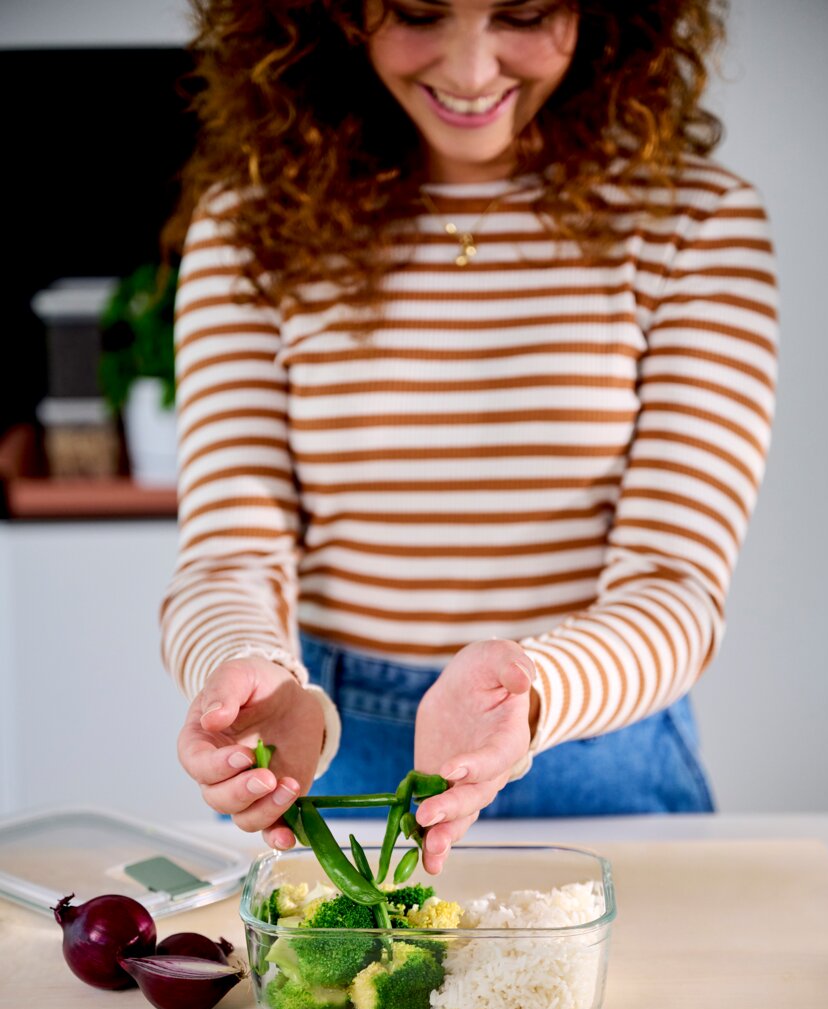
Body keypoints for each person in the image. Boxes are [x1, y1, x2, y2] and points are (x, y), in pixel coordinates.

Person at [161, 0, 778, 874]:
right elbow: (229, 553)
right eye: (418, 13)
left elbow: (674, 583)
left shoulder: (697, 222)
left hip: (601, 745)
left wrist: (532, 688)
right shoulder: (250, 226)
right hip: (336, 744)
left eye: (521, 14)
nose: (470, 70)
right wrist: (243, 667)